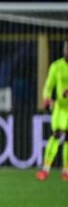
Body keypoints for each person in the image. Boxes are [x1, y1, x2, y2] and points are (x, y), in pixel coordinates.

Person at [36, 39, 68, 181]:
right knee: (56, 134)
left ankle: (66, 170)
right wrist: (46, 98)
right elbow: (49, 85)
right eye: (66, 47)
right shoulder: (57, 66)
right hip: (60, 108)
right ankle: (45, 169)